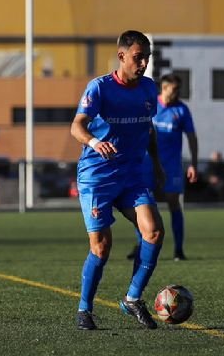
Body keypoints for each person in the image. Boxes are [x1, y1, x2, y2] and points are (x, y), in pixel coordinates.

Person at [70, 30, 165, 330]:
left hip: (133, 175)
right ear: (122, 56)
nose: (144, 63)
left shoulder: (149, 89)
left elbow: (148, 129)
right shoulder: (99, 88)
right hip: (97, 177)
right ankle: (85, 309)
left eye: (147, 58)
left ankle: (133, 299)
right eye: (138, 57)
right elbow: (76, 126)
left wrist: (157, 163)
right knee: (101, 247)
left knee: (153, 232)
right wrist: (95, 142)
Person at [127, 73, 198, 261]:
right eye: (173, 90)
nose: (176, 94)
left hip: (172, 166)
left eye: (178, 90)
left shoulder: (181, 110)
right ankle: (141, 245)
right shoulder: (151, 106)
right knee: (142, 204)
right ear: (164, 88)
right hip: (146, 165)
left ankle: (179, 250)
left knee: (173, 203)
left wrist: (194, 164)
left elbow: (192, 137)